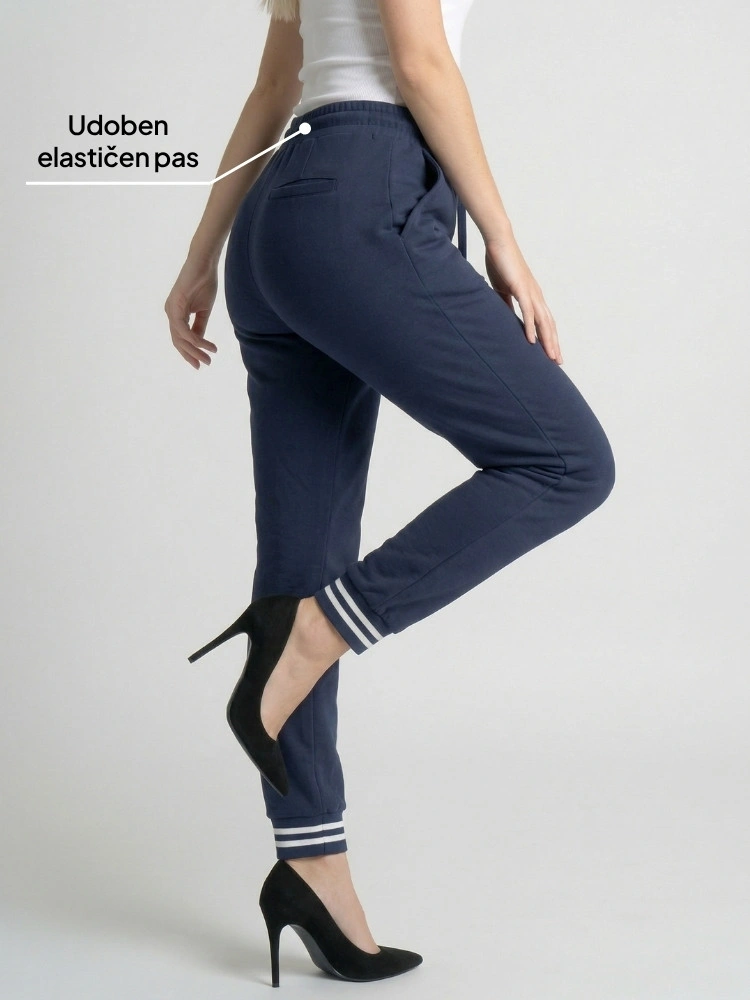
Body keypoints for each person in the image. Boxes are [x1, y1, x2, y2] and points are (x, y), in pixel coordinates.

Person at [165, 0, 616, 985]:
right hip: (363, 192)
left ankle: (311, 868)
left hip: (277, 218)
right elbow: (420, 63)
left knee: (302, 557)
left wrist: (202, 255)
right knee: (566, 462)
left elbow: (276, 82)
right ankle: (308, 633)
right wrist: (503, 237)